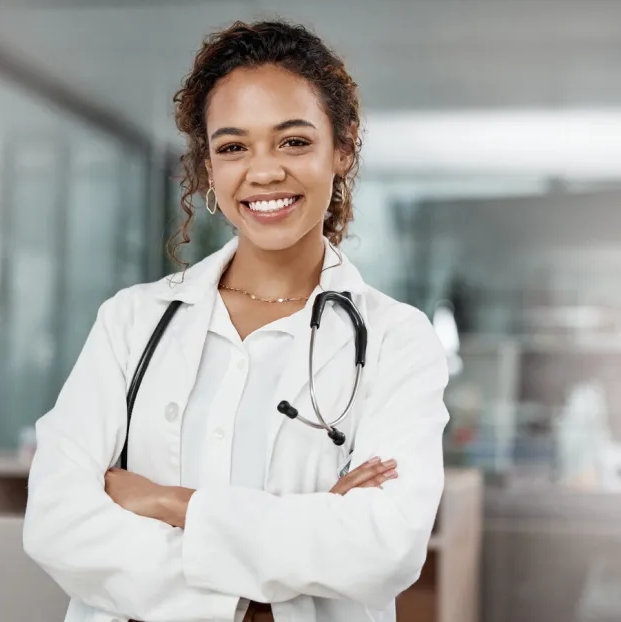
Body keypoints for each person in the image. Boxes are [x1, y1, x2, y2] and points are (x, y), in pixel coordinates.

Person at [23, 19, 449, 622]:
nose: (264, 171)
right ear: (209, 170)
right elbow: (56, 523)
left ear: (343, 146)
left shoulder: (396, 340)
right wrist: (250, 601)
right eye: (232, 147)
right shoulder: (132, 321)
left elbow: (382, 547)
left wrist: (170, 503)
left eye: (293, 141)